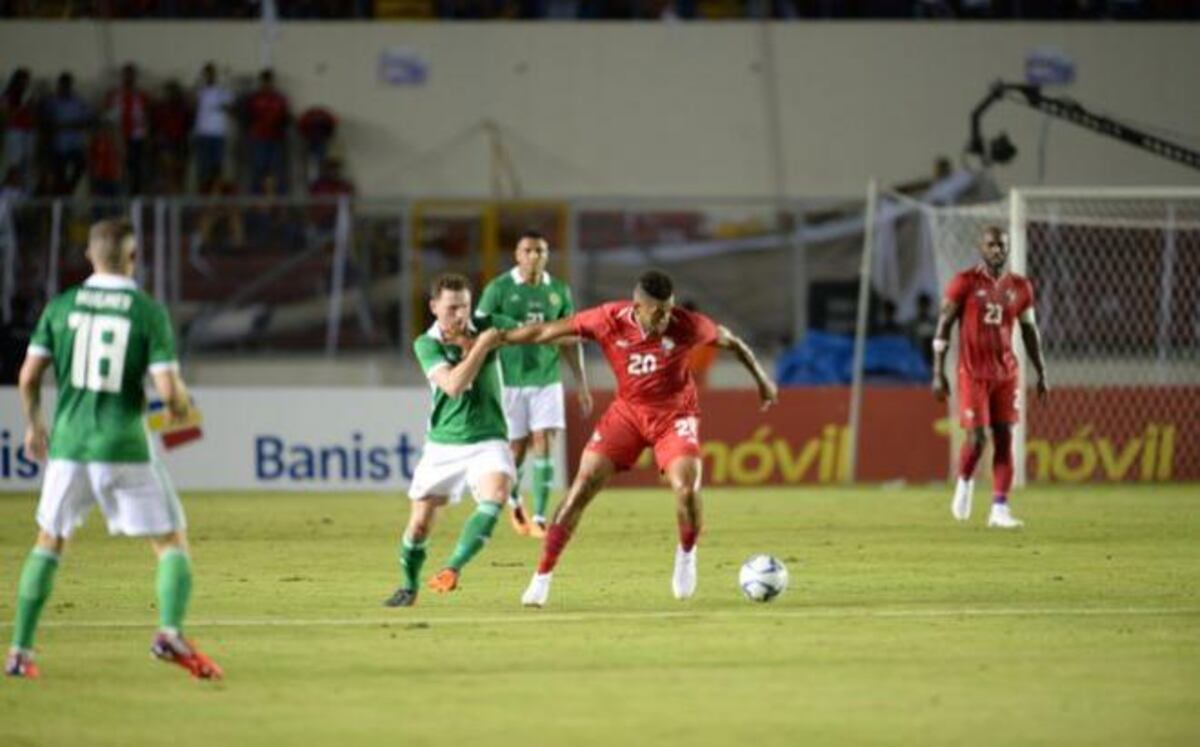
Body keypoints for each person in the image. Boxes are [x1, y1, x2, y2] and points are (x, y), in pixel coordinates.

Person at [5, 219, 221, 680]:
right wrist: (181, 405)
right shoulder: (146, 311)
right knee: (170, 542)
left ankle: (20, 652)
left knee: (49, 541)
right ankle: (169, 633)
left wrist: (34, 425)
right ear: (133, 257)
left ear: (89, 256)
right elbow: (168, 391)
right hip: (123, 444)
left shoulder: (60, 306)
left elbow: (27, 377)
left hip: (68, 445)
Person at [501, 269, 778, 607]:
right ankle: (541, 578)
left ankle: (686, 554)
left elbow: (732, 341)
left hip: (675, 416)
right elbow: (545, 330)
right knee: (580, 489)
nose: (666, 317)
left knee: (686, 487)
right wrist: (498, 337)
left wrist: (762, 380)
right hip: (628, 414)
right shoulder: (607, 319)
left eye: (669, 308)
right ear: (638, 306)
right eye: (658, 311)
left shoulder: (688, 324)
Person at [382, 273, 519, 608]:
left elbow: (531, 333)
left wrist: (564, 331)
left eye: (465, 307)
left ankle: (451, 568)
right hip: (443, 445)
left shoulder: (488, 323)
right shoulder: (426, 344)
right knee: (417, 527)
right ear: (433, 307)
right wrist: (484, 345)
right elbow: (453, 386)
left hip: (489, 439)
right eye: (452, 308)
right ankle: (408, 587)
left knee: (496, 496)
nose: (460, 315)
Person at [475, 231, 592, 538]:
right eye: (528, 250)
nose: (534, 256)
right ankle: (515, 502)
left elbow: (573, 338)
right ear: (517, 254)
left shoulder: (558, 291)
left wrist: (581, 383)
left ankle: (540, 517)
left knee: (544, 443)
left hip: (547, 380)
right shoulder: (499, 289)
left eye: (540, 251)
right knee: (516, 450)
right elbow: (478, 329)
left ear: (547, 255)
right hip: (510, 381)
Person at [932, 225, 1049, 529]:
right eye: (992, 245)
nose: (997, 250)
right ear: (981, 248)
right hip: (972, 373)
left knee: (1005, 438)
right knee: (978, 438)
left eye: (1002, 246)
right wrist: (937, 372)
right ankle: (965, 479)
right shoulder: (964, 282)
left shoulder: (1021, 287)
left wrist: (1041, 371)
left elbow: (1029, 330)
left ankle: (999, 509)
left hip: (1006, 374)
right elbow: (944, 325)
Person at [104, 63, 150, 195]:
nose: (129, 78)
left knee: (135, 168)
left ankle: (134, 194)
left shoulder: (140, 96)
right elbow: (109, 116)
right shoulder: (115, 95)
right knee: (120, 167)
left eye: (131, 75)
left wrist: (146, 135)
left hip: (136, 137)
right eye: (127, 75)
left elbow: (145, 117)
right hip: (119, 136)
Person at [243, 69, 290, 194]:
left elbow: (285, 117)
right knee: (258, 170)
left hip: (276, 139)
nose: (267, 84)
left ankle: (280, 203)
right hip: (259, 138)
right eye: (264, 82)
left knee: (278, 172)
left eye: (269, 82)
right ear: (261, 82)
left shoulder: (280, 99)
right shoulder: (254, 99)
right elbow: (246, 117)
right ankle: (256, 201)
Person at [46, 72, 93, 196]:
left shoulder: (78, 101)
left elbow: (88, 119)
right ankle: (62, 196)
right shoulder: (53, 101)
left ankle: (69, 189)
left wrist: (69, 125)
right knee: (59, 176)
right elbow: (48, 122)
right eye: (63, 85)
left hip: (74, 144)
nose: (65, 88)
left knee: (81, 166)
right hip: (59, 145)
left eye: (67, 85)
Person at [192, 62, 234, 192]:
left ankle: (216, 193)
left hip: (218, 133)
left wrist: (222, 105)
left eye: (211, 74)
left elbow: (231, 108)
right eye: (206, 74)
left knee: (217, 167)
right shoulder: (200, 91)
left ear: (214, 75)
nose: (209, 76)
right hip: (203, 134)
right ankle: (203, 194)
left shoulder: (222, 91)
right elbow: (191, 104)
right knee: (203, 167)